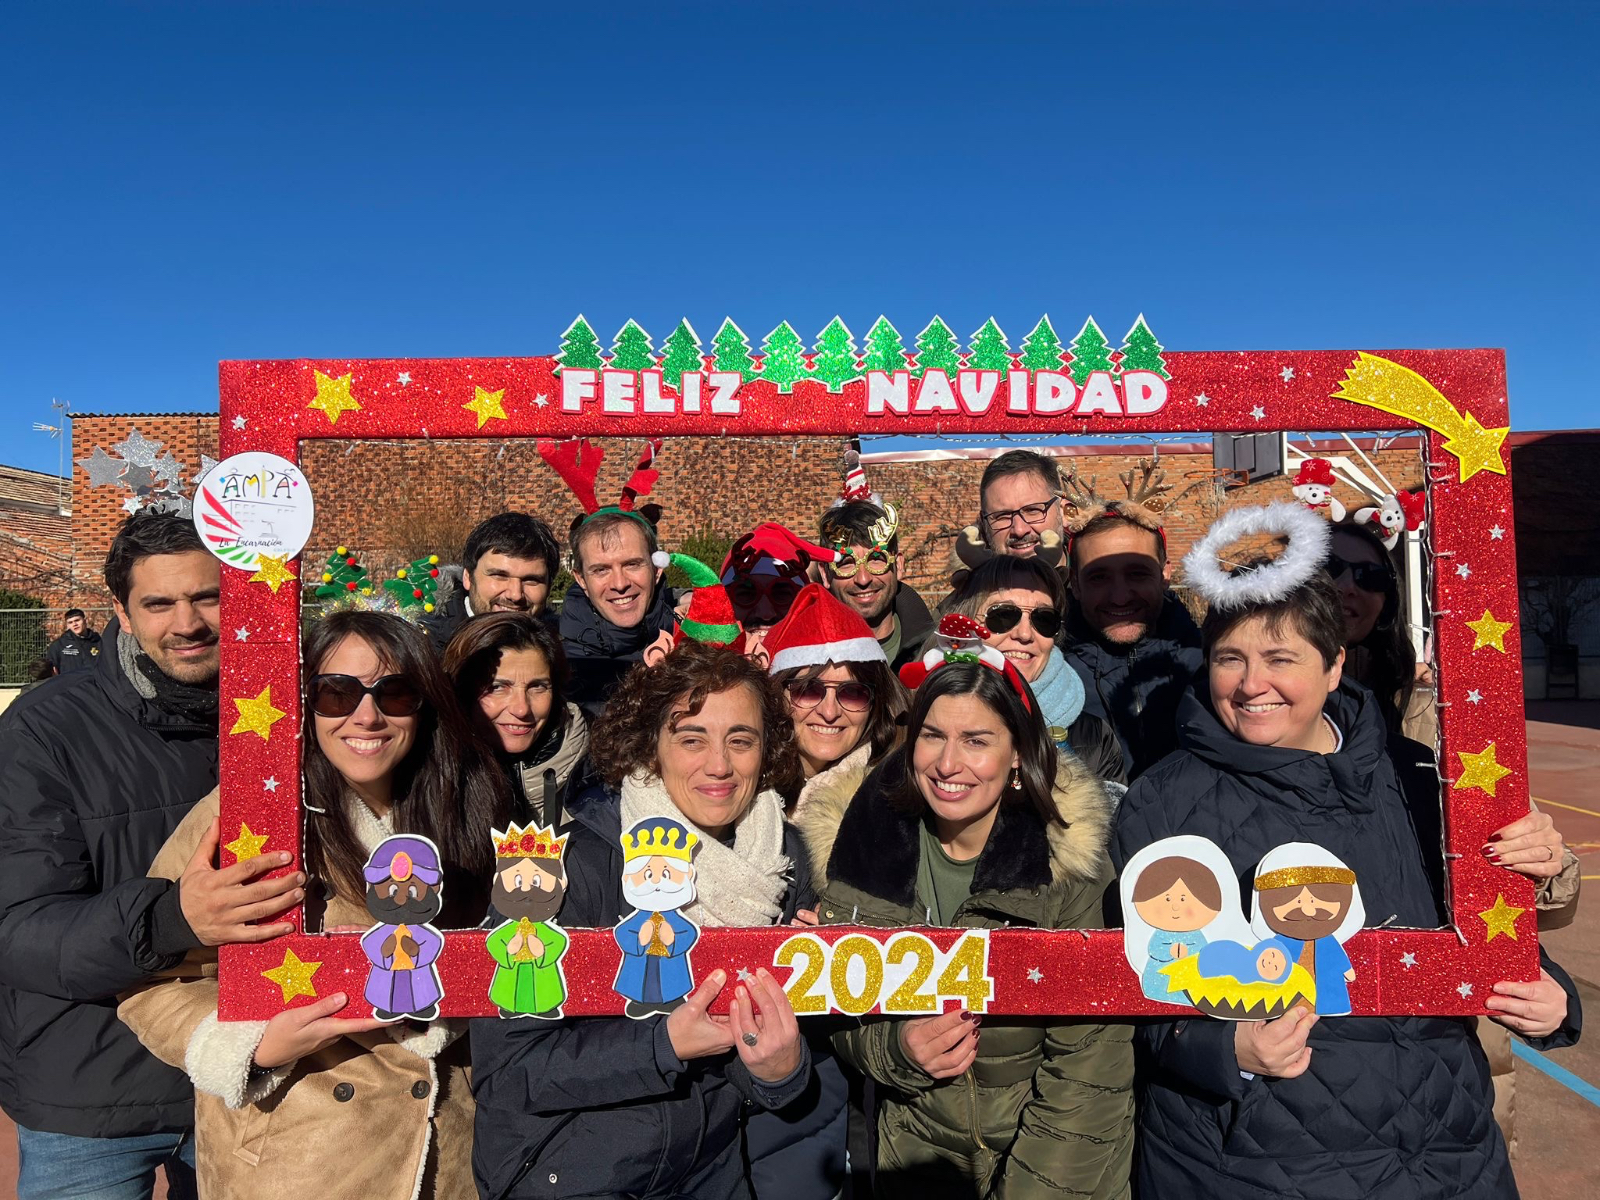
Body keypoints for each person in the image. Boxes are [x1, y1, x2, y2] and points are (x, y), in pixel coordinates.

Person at [1112, 508, 1581, 1199]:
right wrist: (1226, 1050)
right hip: (1251, 1163)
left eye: (1281, 659)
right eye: (1230, 658)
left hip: (1443, 1151)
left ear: (1333, 666)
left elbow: (1494, 928)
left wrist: (1550, 997)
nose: (1250, 684)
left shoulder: (1428, 780)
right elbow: (1135, 982)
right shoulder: (1163, 800)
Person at [118, 609, 510, 1199]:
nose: (367, 715)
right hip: (297, 1160)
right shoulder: (245, 817)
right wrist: (253, 1045)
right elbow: (150, 978)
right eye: (336, 693)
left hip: (450, 1157)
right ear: (303, 703)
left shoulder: (474, 808)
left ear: (424, 705)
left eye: (395, 692)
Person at [0, 513, 297, 1200]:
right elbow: (17, 930)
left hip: (252, 1074)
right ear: (122, 614)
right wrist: (169, 921)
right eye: (159, 603)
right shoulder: (44, 731)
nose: (187, 622)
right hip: (91, 1090)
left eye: (207, 596)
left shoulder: (296, 709)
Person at [471, 642, 819, 1200]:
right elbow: (508, 1069)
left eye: (741, 740)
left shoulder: (779, 860)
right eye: (691, 739)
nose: (719, 765)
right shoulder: (566, 866)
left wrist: (782, 1069)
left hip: (708, 1170)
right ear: (650, 748)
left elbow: (769, 1070)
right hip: (568, 1171)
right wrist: (664, 1043)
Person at [800, 654, 1135, 1200]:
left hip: (1054, 1167)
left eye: (977, 741)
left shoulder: (1071, 869)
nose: (948, 763)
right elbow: (842, 1014)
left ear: (1018, 756)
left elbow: (1089, 1067)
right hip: (915, 1161)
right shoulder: (863, 848)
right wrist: (897, 1049)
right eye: (933, 736)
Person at [1327, 516, 1580, 1156]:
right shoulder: (1249, 706)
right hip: (1315, 1009)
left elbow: (1524, 880)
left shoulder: (1446, 713)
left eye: (1369, 575)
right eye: (1327, 569)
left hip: (1446, 1027)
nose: (1347, 587)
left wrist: (1546, 861)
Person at [941, 555, 1125, 784]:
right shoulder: (925, 716)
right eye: (1003, 616)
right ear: (965, 623)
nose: (1025, 634)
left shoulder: (1094, 739)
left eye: (1044, 619)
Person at [1059, 482, 1200, 779]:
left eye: (1137, 573)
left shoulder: (1210, 669)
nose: (1120, 596)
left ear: (1165, 573)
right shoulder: (1052, 680)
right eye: (1099, 577)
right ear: (1075, 582)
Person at [764, 582, 908, 818]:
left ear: (875, 704)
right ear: (777, 695)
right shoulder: (745, 787)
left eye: (852, 693)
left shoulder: (892, 801)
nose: (829, 712)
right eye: (808, 690)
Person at [444, 611, 591, 829]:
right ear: (460, 692)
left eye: (537, 686)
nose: (521, 709)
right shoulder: (430, 788)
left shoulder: (597, 776)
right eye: (497, 687)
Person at [559, 509, 675, 716]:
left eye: (632, 564)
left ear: (657, 570)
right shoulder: (557, 669)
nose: (620, 584)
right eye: (601, 570)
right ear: (581, 580)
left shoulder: (694, 649)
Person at [819, 499, 934, 673]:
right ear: (825, 574)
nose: (863, 579)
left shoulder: (938, 654)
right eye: (846, 563)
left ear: (899, 565)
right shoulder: (807, 664)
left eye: (876, 559)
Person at [423, 512, 561, 652]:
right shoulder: (421, 649)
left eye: (531, 580)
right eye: (500, 576)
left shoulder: (565, 651)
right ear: (468, 577)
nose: (515, 595)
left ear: (549, 585)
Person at [976, 449, 1067, 562]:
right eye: (1002, 516)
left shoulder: (1092, 570)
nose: (1019, 530)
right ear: (984, 525)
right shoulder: (965, 579)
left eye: (1032, 510)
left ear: (1063, 512)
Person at [46, 606, 103, 675]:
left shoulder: (98, 642)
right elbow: (52, 669)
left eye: (77, 620)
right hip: (69, 684)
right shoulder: (59, 645)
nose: (75, 624)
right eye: (70, 622)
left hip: (92, 684)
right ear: (67, 625)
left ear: (85, 621)